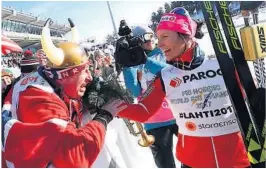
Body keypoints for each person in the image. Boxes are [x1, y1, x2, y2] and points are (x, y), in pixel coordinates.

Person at [110, 8, 252, 168]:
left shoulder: (223, 65)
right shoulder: (165, 76)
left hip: (237, 159)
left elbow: (250, 101)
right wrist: (107, 105)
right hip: (192, 161)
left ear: (185, 34)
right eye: (158, 38)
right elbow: (143, 111)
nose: (160, 43)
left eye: (165, 36)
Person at [1, 19, 121, 168]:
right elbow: (76, 157)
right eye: (84, 71)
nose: (89, 77)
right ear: (65, 76)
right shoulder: (38, 99)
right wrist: (104, 116)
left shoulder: (52, 82)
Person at [122, 25, 178, 168]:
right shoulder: (135, 63)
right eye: (144, 38)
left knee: (192, 157)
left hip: (179, 113)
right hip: (155, 120)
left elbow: (172, 73)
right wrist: (127, 65)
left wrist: (146, 60)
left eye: (151, 36)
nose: (149, 40)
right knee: (165, 164)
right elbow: (134, 91)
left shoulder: (166, 51)